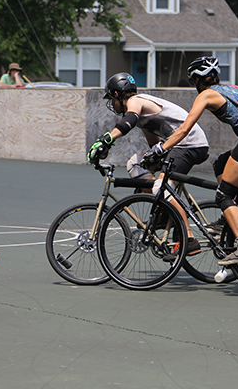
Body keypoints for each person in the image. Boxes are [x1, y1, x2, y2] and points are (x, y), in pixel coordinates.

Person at [144, 56, 238, 266]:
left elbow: (184, 129)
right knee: (221, 163)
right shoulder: (235, 89)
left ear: (199, 80)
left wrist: (161, 147)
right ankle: (228, 218)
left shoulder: (207, 95)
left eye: (194, 82)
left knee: (223, 194)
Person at [86, 73, 210, 256]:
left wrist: (105, 140)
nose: (112, 104)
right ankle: (164, 210)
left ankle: (189, 238)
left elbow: (127, 123)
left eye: (112, 99)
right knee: (136, 163)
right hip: (177, 146)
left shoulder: (136, 101)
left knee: (163, 187)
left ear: (118, 94)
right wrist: (150, 161)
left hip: (190, 144)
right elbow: (154, 144)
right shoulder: (142, 117)